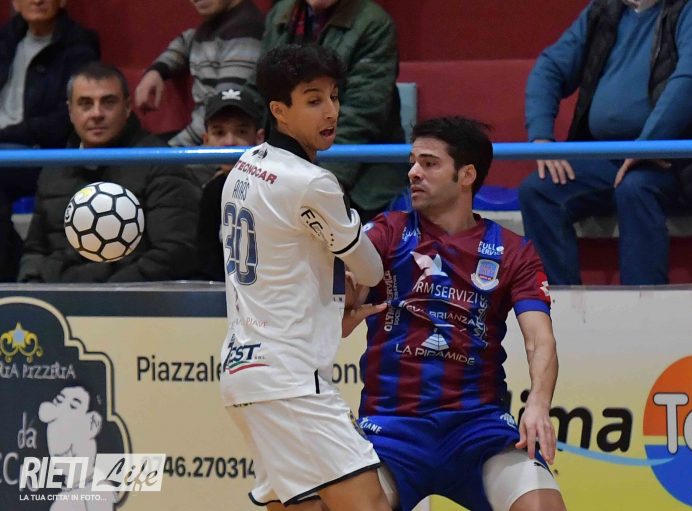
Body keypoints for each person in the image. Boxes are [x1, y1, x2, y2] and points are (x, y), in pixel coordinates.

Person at [345, 117, 566, 511]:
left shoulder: (513, 251)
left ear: (466, 175)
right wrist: (340, 302)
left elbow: (539, 338)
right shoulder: (386, 232)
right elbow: (347, 292)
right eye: (413, 162)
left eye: (429, 163)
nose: (413, 172)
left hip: (477, 430)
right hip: (391, 430)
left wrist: (538, 404)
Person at [219, 44, 390, 511]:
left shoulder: (242, 167)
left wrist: (328, 309)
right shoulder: (311, 182)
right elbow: (371, 269)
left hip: (241, 371)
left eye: (334, 96)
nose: (331, 111)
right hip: (288, 380)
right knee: (371, 505)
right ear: (279, 111)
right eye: (314, 100)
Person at [518, 0, 692, 286]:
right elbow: (550, 68)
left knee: (636, 187)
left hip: (686, 156)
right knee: (539, 191)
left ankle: (643, 303)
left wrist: (647, 144)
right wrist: (541, 137)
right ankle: (558, 303)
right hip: (613, 154)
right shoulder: (604, 10)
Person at [17, 62, 201, 283]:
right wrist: (32, 287)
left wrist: (105, 295)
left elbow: (174, 252)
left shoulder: (161, 162)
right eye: (85, 104)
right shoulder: (54, 169)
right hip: (59, 296)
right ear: (70, 111)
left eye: (108, 102)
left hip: (131, 298)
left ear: (128, 107)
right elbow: (35, 251)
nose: (97, 114)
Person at [262, 0, 408, 222]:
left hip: (362, 179)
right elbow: (261, 88)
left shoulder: (374, 23)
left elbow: (362, 112)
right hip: (287, 162)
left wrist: (327, 181)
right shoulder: (281, 13)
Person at [0, 0, 99, 281]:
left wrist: (7, 134)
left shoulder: (79, 46)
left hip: (40, 152)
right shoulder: (5, 40)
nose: (38, 0)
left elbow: (62, 120)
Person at [134, 0, 264, 147]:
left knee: (140, 153)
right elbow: (186, 41)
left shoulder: (244, 31)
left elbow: (222, 119)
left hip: (214, 145)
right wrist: (157, 71)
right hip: (203, 135)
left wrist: (170, 151)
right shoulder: (216, 24)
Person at [196, 85, 265, 281]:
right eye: (219, 132)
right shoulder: (212, 190)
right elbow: (207, 260)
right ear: (206, 140)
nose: (229, 141)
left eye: (241, 131)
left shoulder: (276, 187)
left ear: (259, 138)